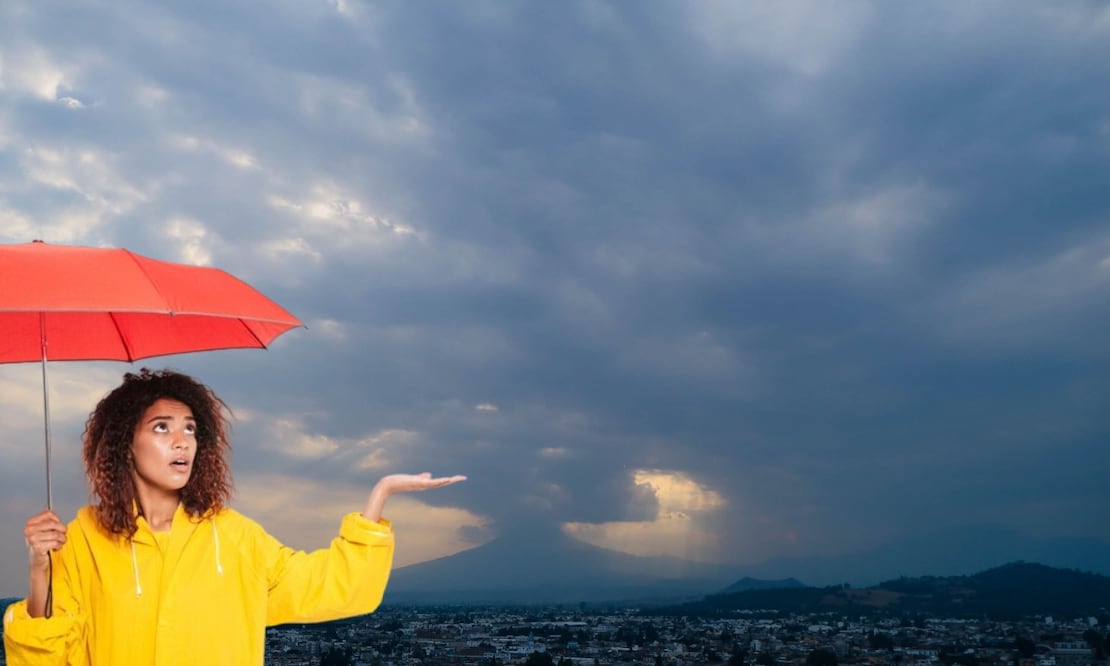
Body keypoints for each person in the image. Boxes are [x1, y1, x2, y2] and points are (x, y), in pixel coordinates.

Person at [3, 368, 465, 665]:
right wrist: (41, 569)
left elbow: (330, 588)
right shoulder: (84, 537)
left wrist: (378, 497)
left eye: (190, 428)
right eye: (162, 428)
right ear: (125, 444)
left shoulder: (235, 536)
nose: (182, 441)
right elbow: (44, 658)